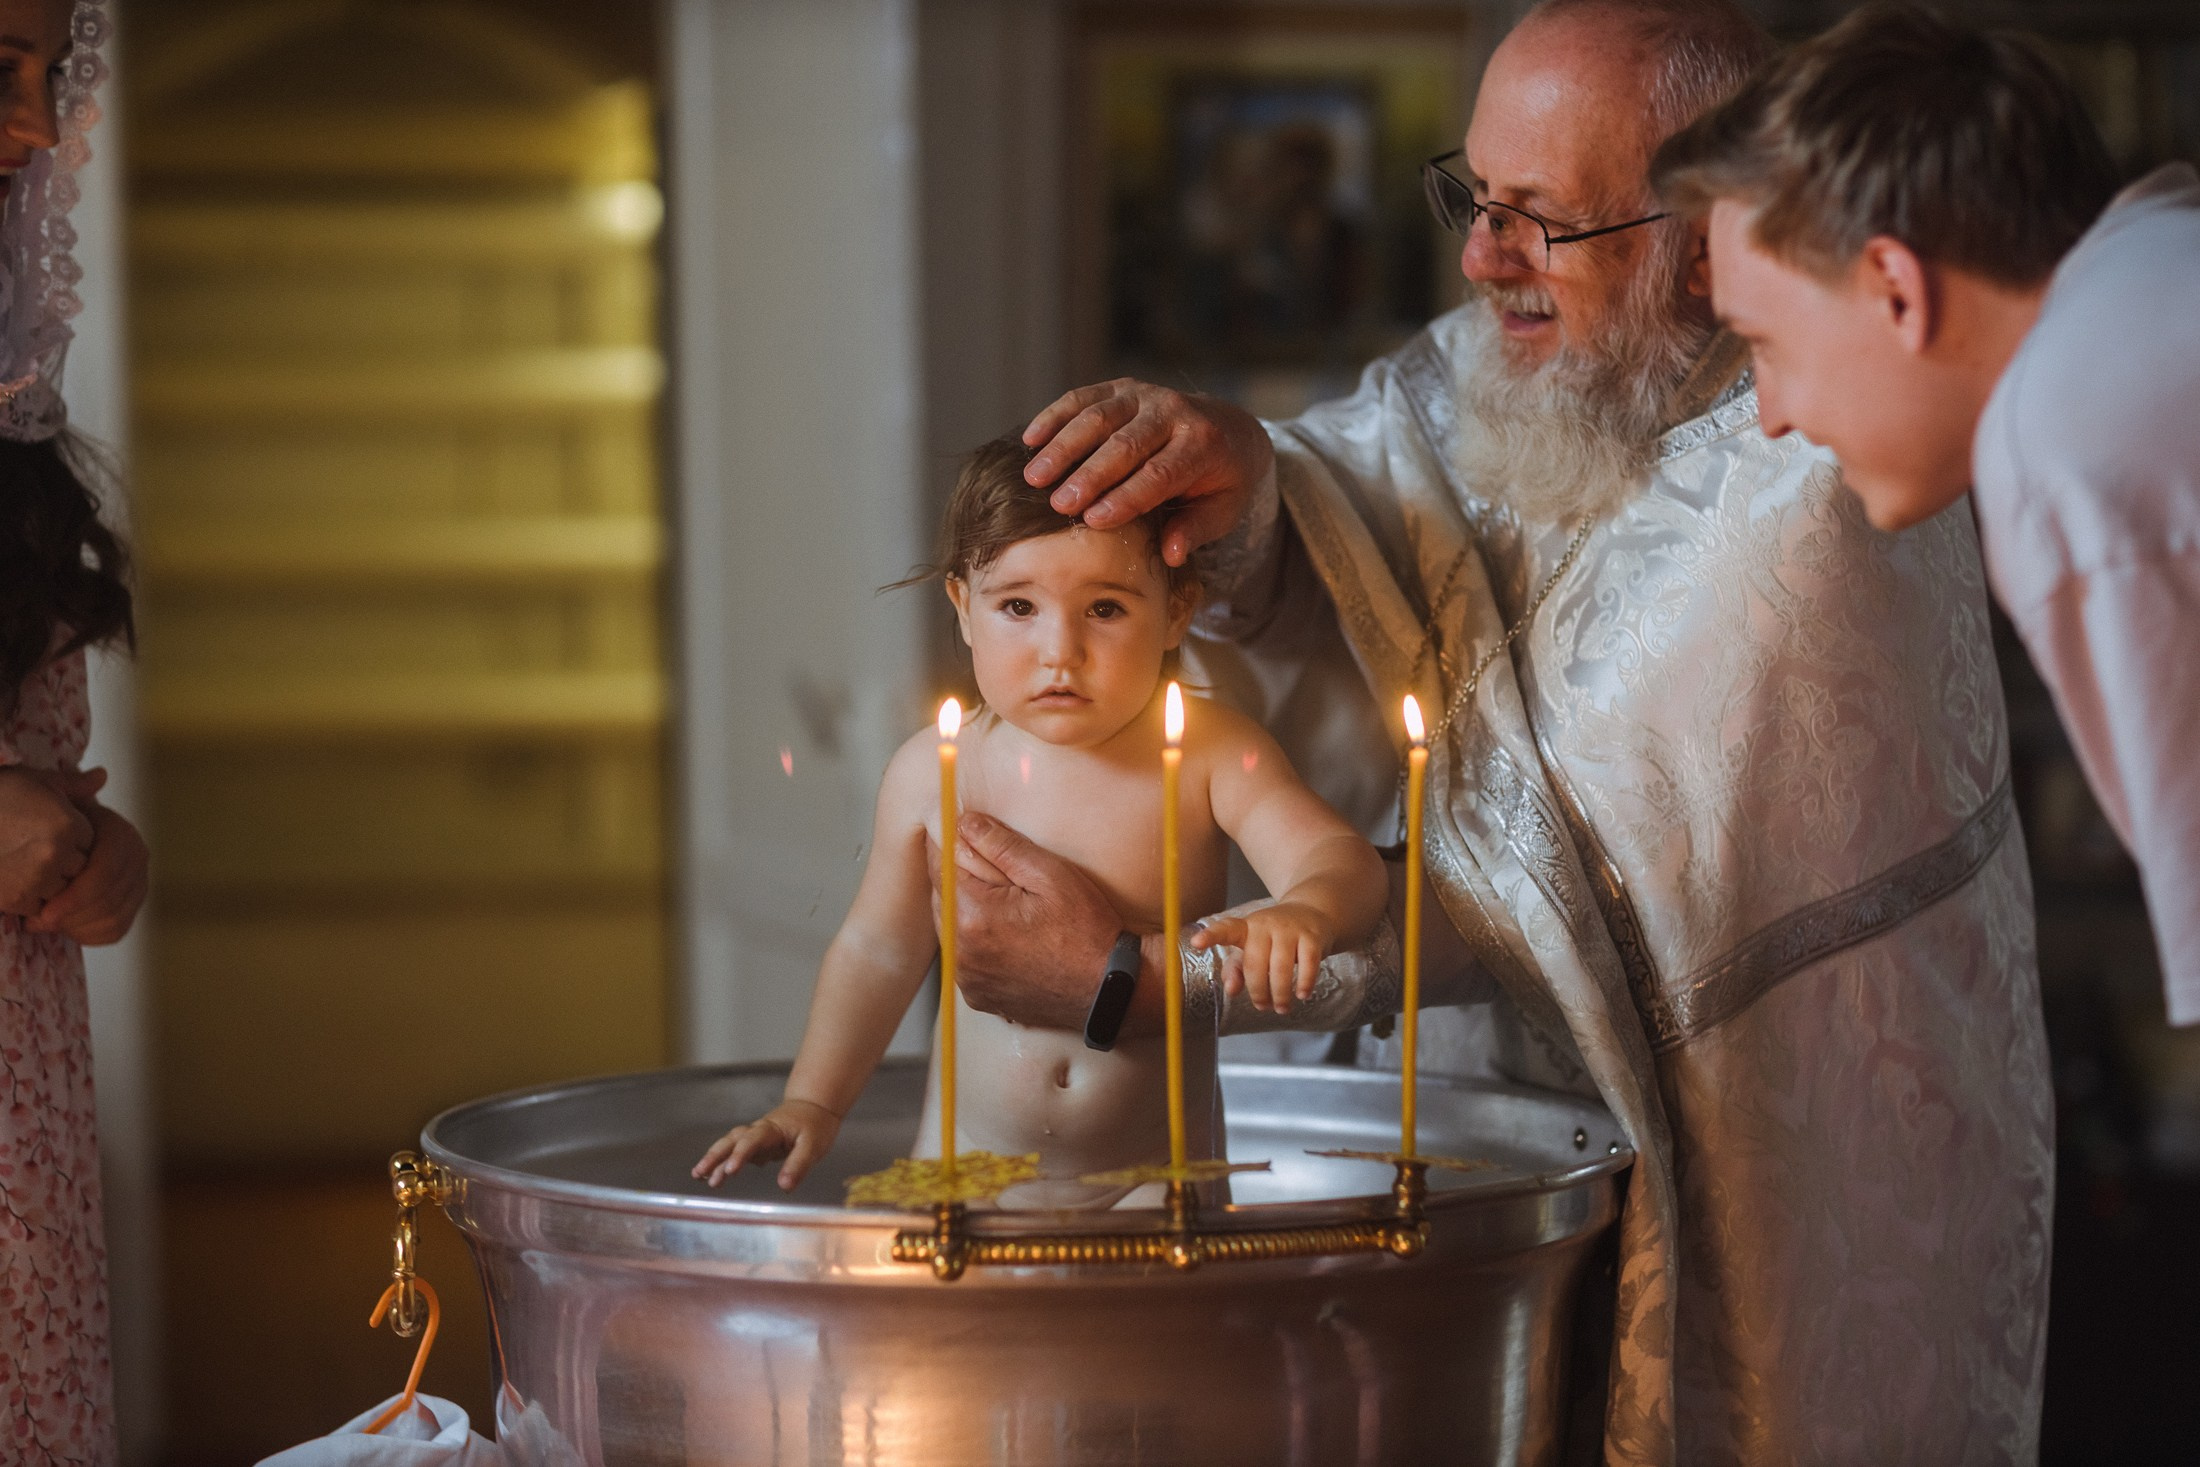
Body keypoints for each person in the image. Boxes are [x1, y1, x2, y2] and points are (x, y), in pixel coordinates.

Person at [932, 1, 2054, 1460]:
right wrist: (1249, 488)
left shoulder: (1813, 476)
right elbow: (1374, 490)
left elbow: (1523, 880)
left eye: (1537, 221)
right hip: (1502, 1153)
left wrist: (1139, 983)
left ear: (1702, 232)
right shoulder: (1527, 341)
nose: (1479, 260)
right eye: (1471, 195)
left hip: (1773, 1167)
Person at [1650, 2, 2200, 1033]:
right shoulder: (2154, 270)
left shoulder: (2066, 435)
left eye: (1762, 342)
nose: (1770, 416)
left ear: (1895, 290)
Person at [694, 437, 1385, 1205]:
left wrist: (1307, 908)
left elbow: (1339, 856)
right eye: (1018, 606)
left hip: (1155, 1176)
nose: (1062, 650)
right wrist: (813, 1100)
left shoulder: (1206, 754)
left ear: (1175, 612)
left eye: (1106, 608)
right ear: (963, 606)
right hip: (969, 1170)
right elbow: (878, 948)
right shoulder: (935, 771)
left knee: (1165, 1325)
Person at [0, 1, 151, 1463]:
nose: (38, 125)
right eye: (0, 71)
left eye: (55, 75)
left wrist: (98, 851)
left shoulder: (12, 419)